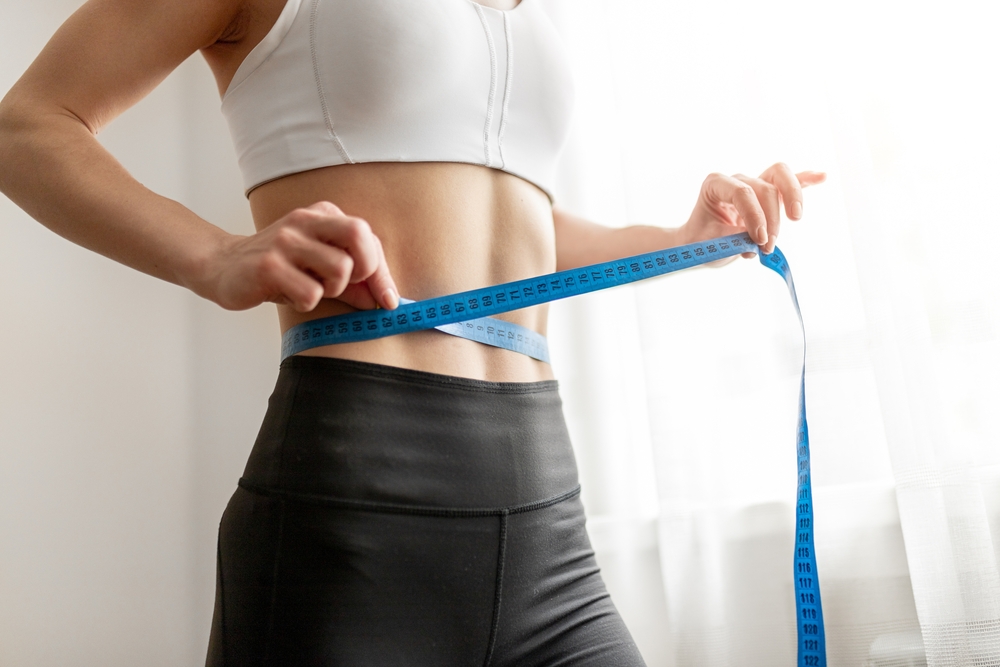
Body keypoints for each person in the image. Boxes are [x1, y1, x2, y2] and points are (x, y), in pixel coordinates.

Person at [0, 0, 824, 664]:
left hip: (545, 511)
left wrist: (679, 242)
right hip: (356, 511)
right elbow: (27, 128)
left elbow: (511, 226)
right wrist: (216, 256)